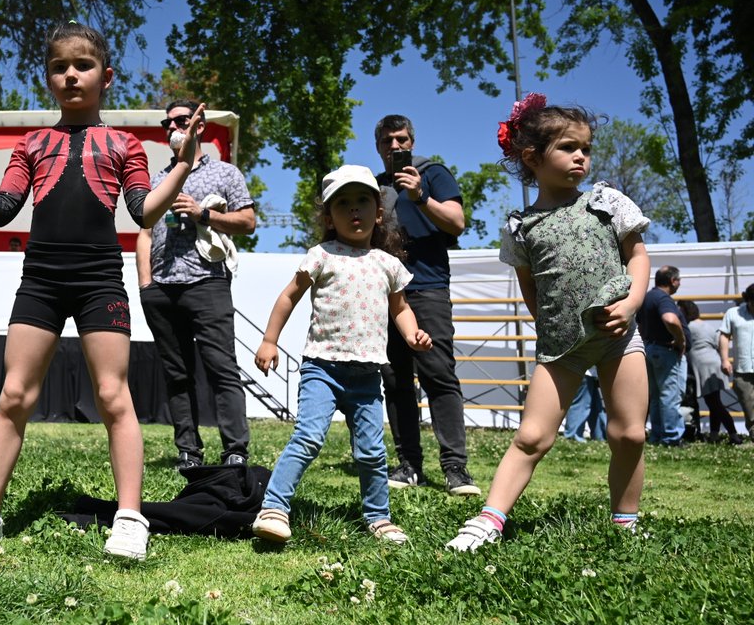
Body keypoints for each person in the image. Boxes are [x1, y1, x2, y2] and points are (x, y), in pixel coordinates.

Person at [0, 22, 199, 561]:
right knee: (14, 394)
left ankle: (130, 517)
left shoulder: (124, 144)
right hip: (41, 280)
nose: (71, 75)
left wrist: (185, 164)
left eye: (83, 65)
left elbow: (144, 212)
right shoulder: (32, 143)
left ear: (107, 77)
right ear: (48, 78)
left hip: (101, 279)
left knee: (112, 396)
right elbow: (1, 210)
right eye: (59, 67)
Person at [446, 93, 650, 551]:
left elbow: (637, 257)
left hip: (619, 337)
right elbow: (530, 286)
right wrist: (548, 325)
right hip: (561, 348)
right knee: (532, 436)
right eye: (568, 147)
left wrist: (632, 303)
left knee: (630, 433)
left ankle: (625, 521)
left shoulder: (607, 202)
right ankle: (489, 519)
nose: (581, 157)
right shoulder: (521, 227)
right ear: (532, 158)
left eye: (586, 148)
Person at [250, 165, 430, 545]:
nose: (354, 210)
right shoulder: (321, 255)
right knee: (308, 437)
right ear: (329, 217)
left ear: (378, 213)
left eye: (362, 201)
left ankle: (378, 517)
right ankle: (274, 508)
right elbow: (288, 296)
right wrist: (269, 340)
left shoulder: (388, 264)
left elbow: (400, 308)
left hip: (367, 375)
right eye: (343, 203)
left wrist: (412, 333)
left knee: (371, 451)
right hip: (322, 368)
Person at [135, 99, 257, 469]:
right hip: (161, 289)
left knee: (221, 368)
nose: (173, 128)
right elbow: (144, 231)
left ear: (199, 126)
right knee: (176, 374)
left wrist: (203, 213)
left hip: (208, 282)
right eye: (167, 123)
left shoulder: (225, 173)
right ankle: (188, 451)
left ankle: (235, 450)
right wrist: (145, 284)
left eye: (181, 121)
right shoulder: (157, 178)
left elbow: (248, 222)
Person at [372, 114, 478, 495]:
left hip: (428, 288)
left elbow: (457, 222)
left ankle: (455, 468)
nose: (395, 146)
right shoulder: (374, 186)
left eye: (401, 139)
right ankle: (408, 465)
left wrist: (420, 196)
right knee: (395, 380)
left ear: (412, 142)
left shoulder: (433, 174)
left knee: (438, 375)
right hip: (386, 294)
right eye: (387, 141)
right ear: (378, 147)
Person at [638, 266, 689, 446]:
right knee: (670, 396)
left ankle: (657, 435)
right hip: (665, 351)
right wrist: (681, 340)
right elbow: (670, 319)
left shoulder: (647, 297)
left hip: (650, 349)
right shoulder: (663, 298)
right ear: (672, 281)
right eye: (678, 280)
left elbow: (640, 325)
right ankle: (671, 437)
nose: (679, 284)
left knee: (657, 396)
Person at [681, 300, 741, 445]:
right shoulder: (708, 326)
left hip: (704, 367)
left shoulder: (688, 327)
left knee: (714, 404)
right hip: (715, 364)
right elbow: (717, 342)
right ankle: (714, 435)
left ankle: (734, 435)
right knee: (715, 403)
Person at [719, 284, 754, 435]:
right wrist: (725, 360)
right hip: (742, 368)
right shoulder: (733, 313)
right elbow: (724, 336)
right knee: (748, 404)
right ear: (748, 300)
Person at [563, 369, 607, 441]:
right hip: (586, 371)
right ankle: (573, 436)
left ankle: (600, 437)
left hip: (592, 374)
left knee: (595, 406)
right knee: (581, 403)